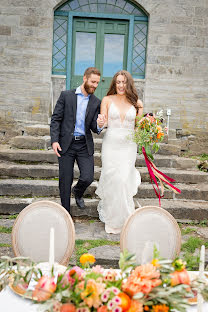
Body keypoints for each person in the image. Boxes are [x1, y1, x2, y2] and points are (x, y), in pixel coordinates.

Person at [50, 67, 104, 214]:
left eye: (97, 83)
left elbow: (94, 127)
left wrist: (99, 125)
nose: (95, 85)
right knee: (65, 180)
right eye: (93, 81)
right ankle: (66, 214)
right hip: (65, 144)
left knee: (88, 177)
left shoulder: (96, 102)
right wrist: (54, 140)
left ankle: (78, 192)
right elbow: (56, 119)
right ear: (84, 79)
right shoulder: (66, 96)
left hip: (83, 144)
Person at [96, 70, 143, 234]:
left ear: (128, 84)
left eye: (124, 82)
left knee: (123, 180)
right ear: (114, 84)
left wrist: (149, 129)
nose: (121, 85)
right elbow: (103, 122)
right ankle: (112, 219)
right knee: (112, 180)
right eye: (118, 82)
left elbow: (139, 129)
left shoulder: (137, 103)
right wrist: (101, 122)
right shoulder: (107, 100)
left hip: (129, 146)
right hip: (111, 144)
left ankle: (125, 218)